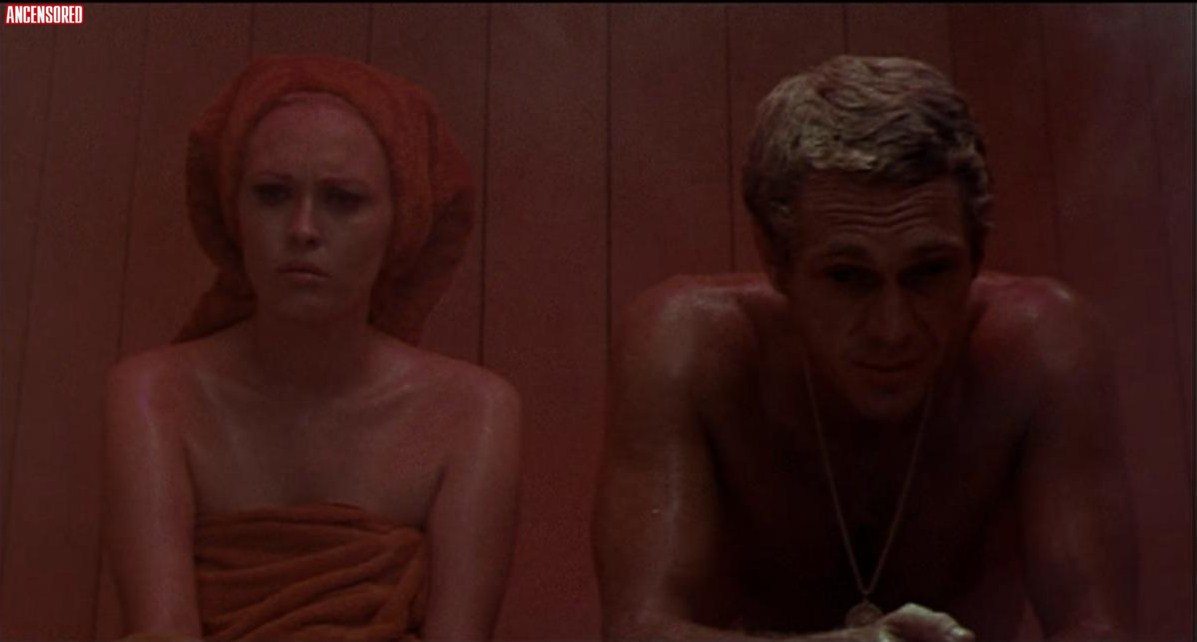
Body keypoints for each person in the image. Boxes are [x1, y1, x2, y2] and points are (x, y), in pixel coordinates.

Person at [593, 55, 1137, 642]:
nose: (892, 329)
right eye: (848, 277)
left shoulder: (1042, 348)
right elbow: (637, 634)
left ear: (976, 255)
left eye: (929, 272)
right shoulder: (689, 345)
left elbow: (1100, 633)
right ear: (776, 261)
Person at [102, 56, 521, 641]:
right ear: (233, 212)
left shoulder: (474, 412)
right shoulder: (154, 394)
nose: (302, 228)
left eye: (343, 200)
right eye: (272, 194)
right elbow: (161, 632)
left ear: (402, 224)